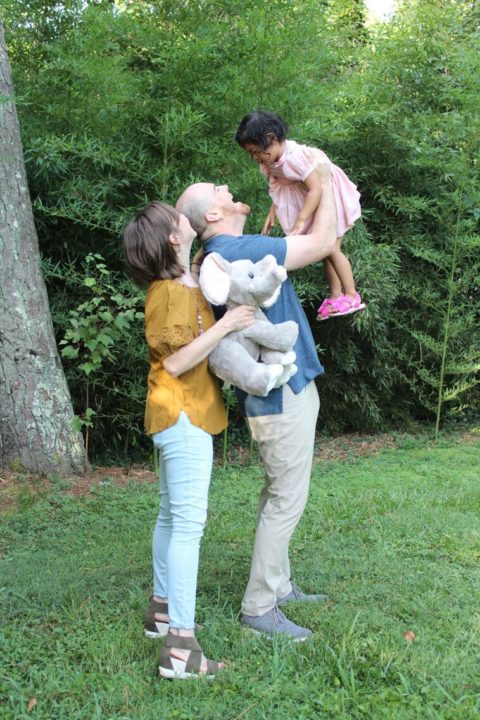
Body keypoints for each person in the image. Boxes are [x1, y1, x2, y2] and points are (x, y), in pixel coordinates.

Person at [176, 159, 337, 641]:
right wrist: (323, 180)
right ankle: (260, 608)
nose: (226, 186)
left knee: (278, 491)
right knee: (286, 498)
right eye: (217, 188)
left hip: (273, 393)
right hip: (281, 392)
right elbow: (326, 240)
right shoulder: (238, 246)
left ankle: (280, 585)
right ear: (212, 216)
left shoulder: (221, 256)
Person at [122, 202, 256, 679]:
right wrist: (227, 325)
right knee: (187, 526)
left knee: (170, 516)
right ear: (173, 239)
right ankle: (180, 647)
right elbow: (175, 363)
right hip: (182, 412)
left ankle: (161, 613)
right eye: (175, 217)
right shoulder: (167, 292)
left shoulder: (183, 282)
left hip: (180, 412)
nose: (184, 215)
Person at [235, 110, 365, 321]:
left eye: (256, 151)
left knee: (332, 246)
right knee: (325, 250)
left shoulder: (294, 158)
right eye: (250, 153)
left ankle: (351, 294)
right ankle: (336, 296)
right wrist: (273, 211)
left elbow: (316, 188)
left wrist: (302, 219)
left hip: (327, 195)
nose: (255, 157)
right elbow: (278, 185)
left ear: (271, 138)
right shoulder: (270, 161)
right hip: (309, 199)